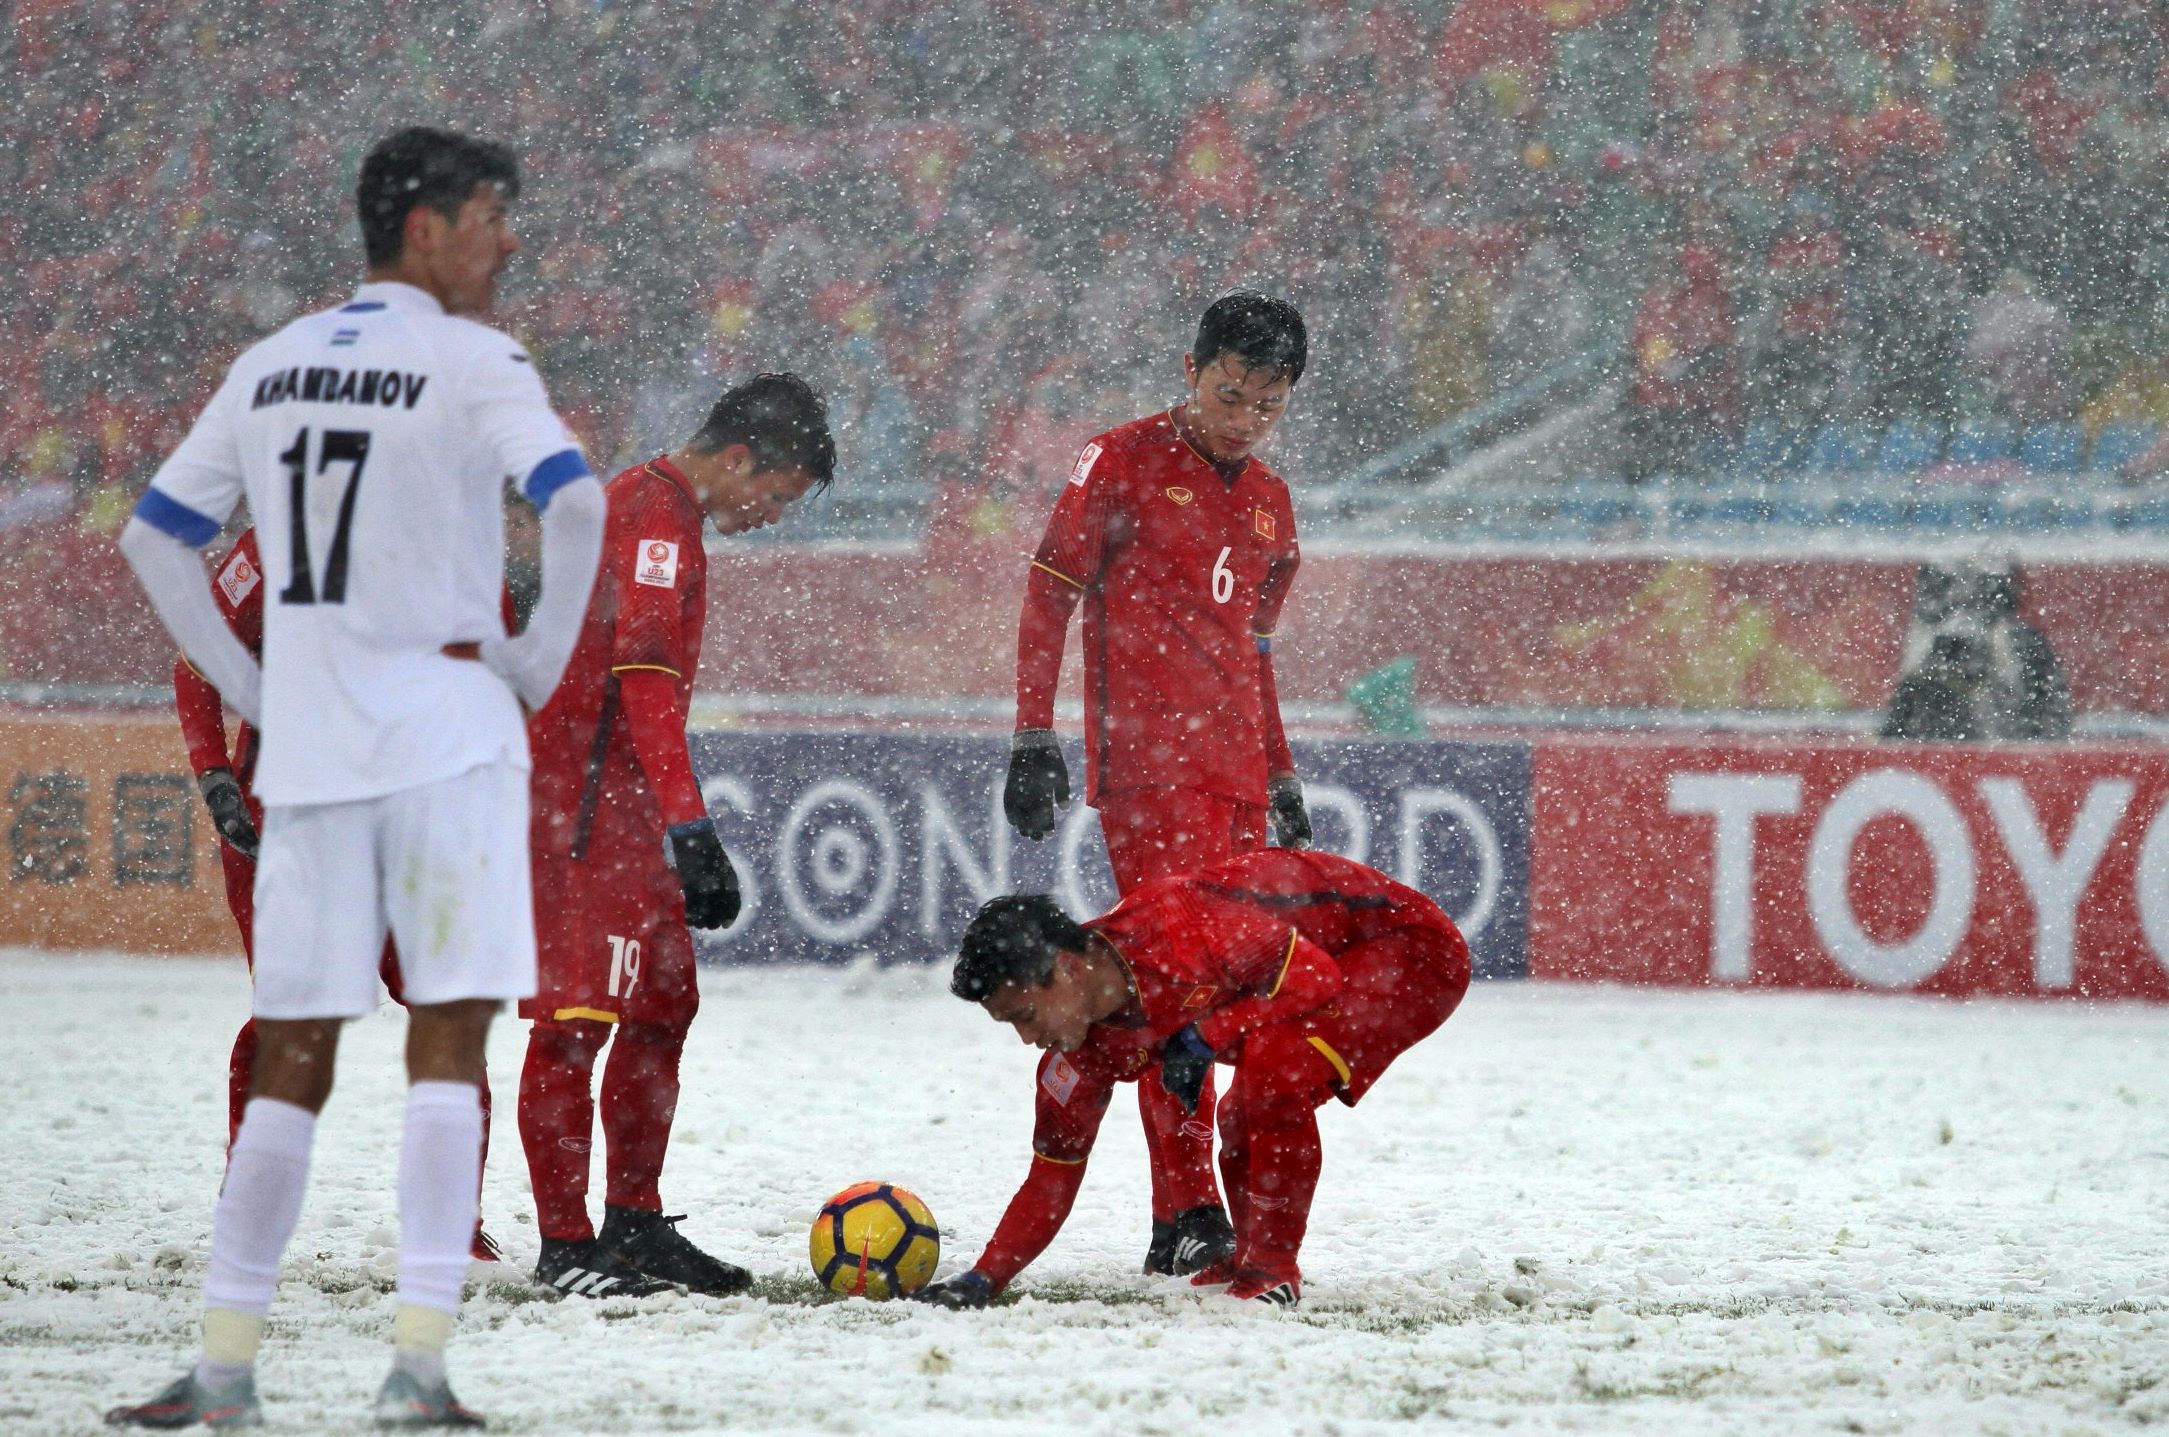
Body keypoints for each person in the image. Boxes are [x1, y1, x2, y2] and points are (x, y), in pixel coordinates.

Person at [109, 126, 605, 1428]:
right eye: (493, 214)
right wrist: (535, 661)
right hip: (448, 733)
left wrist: (258, 691)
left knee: (292, 1053)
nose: (508, 239)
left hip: (313, 754)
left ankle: (222, 1368)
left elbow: (153, 537)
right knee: (448, 1045)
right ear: (427, 227)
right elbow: (575, 500)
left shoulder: (268, 367)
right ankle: (418, 1368)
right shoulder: (471, 357)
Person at [1002, 292, 1312, 1281]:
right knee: (1172, 981)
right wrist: (1030, 734)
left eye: (1268, 402)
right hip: (1148, 768)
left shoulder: (1272, 502)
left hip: (1233, 778)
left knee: (1230, 995)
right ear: (1192, 370)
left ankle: (1202, 1203)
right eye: (1232, 391)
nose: (1247, 415)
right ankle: (1184, 1209)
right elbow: (1049, 593)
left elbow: (1254, 648)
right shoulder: (1119, 460)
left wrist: (1282, 770)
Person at [519, 373, 836, 1299]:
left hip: (623, 815)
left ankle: (633, 1221)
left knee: (662, 1007)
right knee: (573, 1025)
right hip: (581, 815)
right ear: (735, 459)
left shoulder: (654, 507)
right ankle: (566, 1247)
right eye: (773, 495)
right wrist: (691, 827)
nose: (771, 516)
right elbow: (645, 682)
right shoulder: (654, 519)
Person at [920, 849, 1469, 1308]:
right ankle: (1252, 1258)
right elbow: (1051, 1177)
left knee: (1273, 1071)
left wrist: (1204, 1036)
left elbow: (1315, 977)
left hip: (1411, 948)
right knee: (1239, 1110)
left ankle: (1274, 1269)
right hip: (1328, 966)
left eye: (1024, 1015)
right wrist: (981, 1280)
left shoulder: (1181, 928)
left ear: (1065, 969)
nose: (1025, 1038)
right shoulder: (1079, 1052)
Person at [171, 528, 500, 1261]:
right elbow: (196, 666)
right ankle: (248, 1209)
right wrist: (214, 772)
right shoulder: (274, 544)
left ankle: (455, 1224)